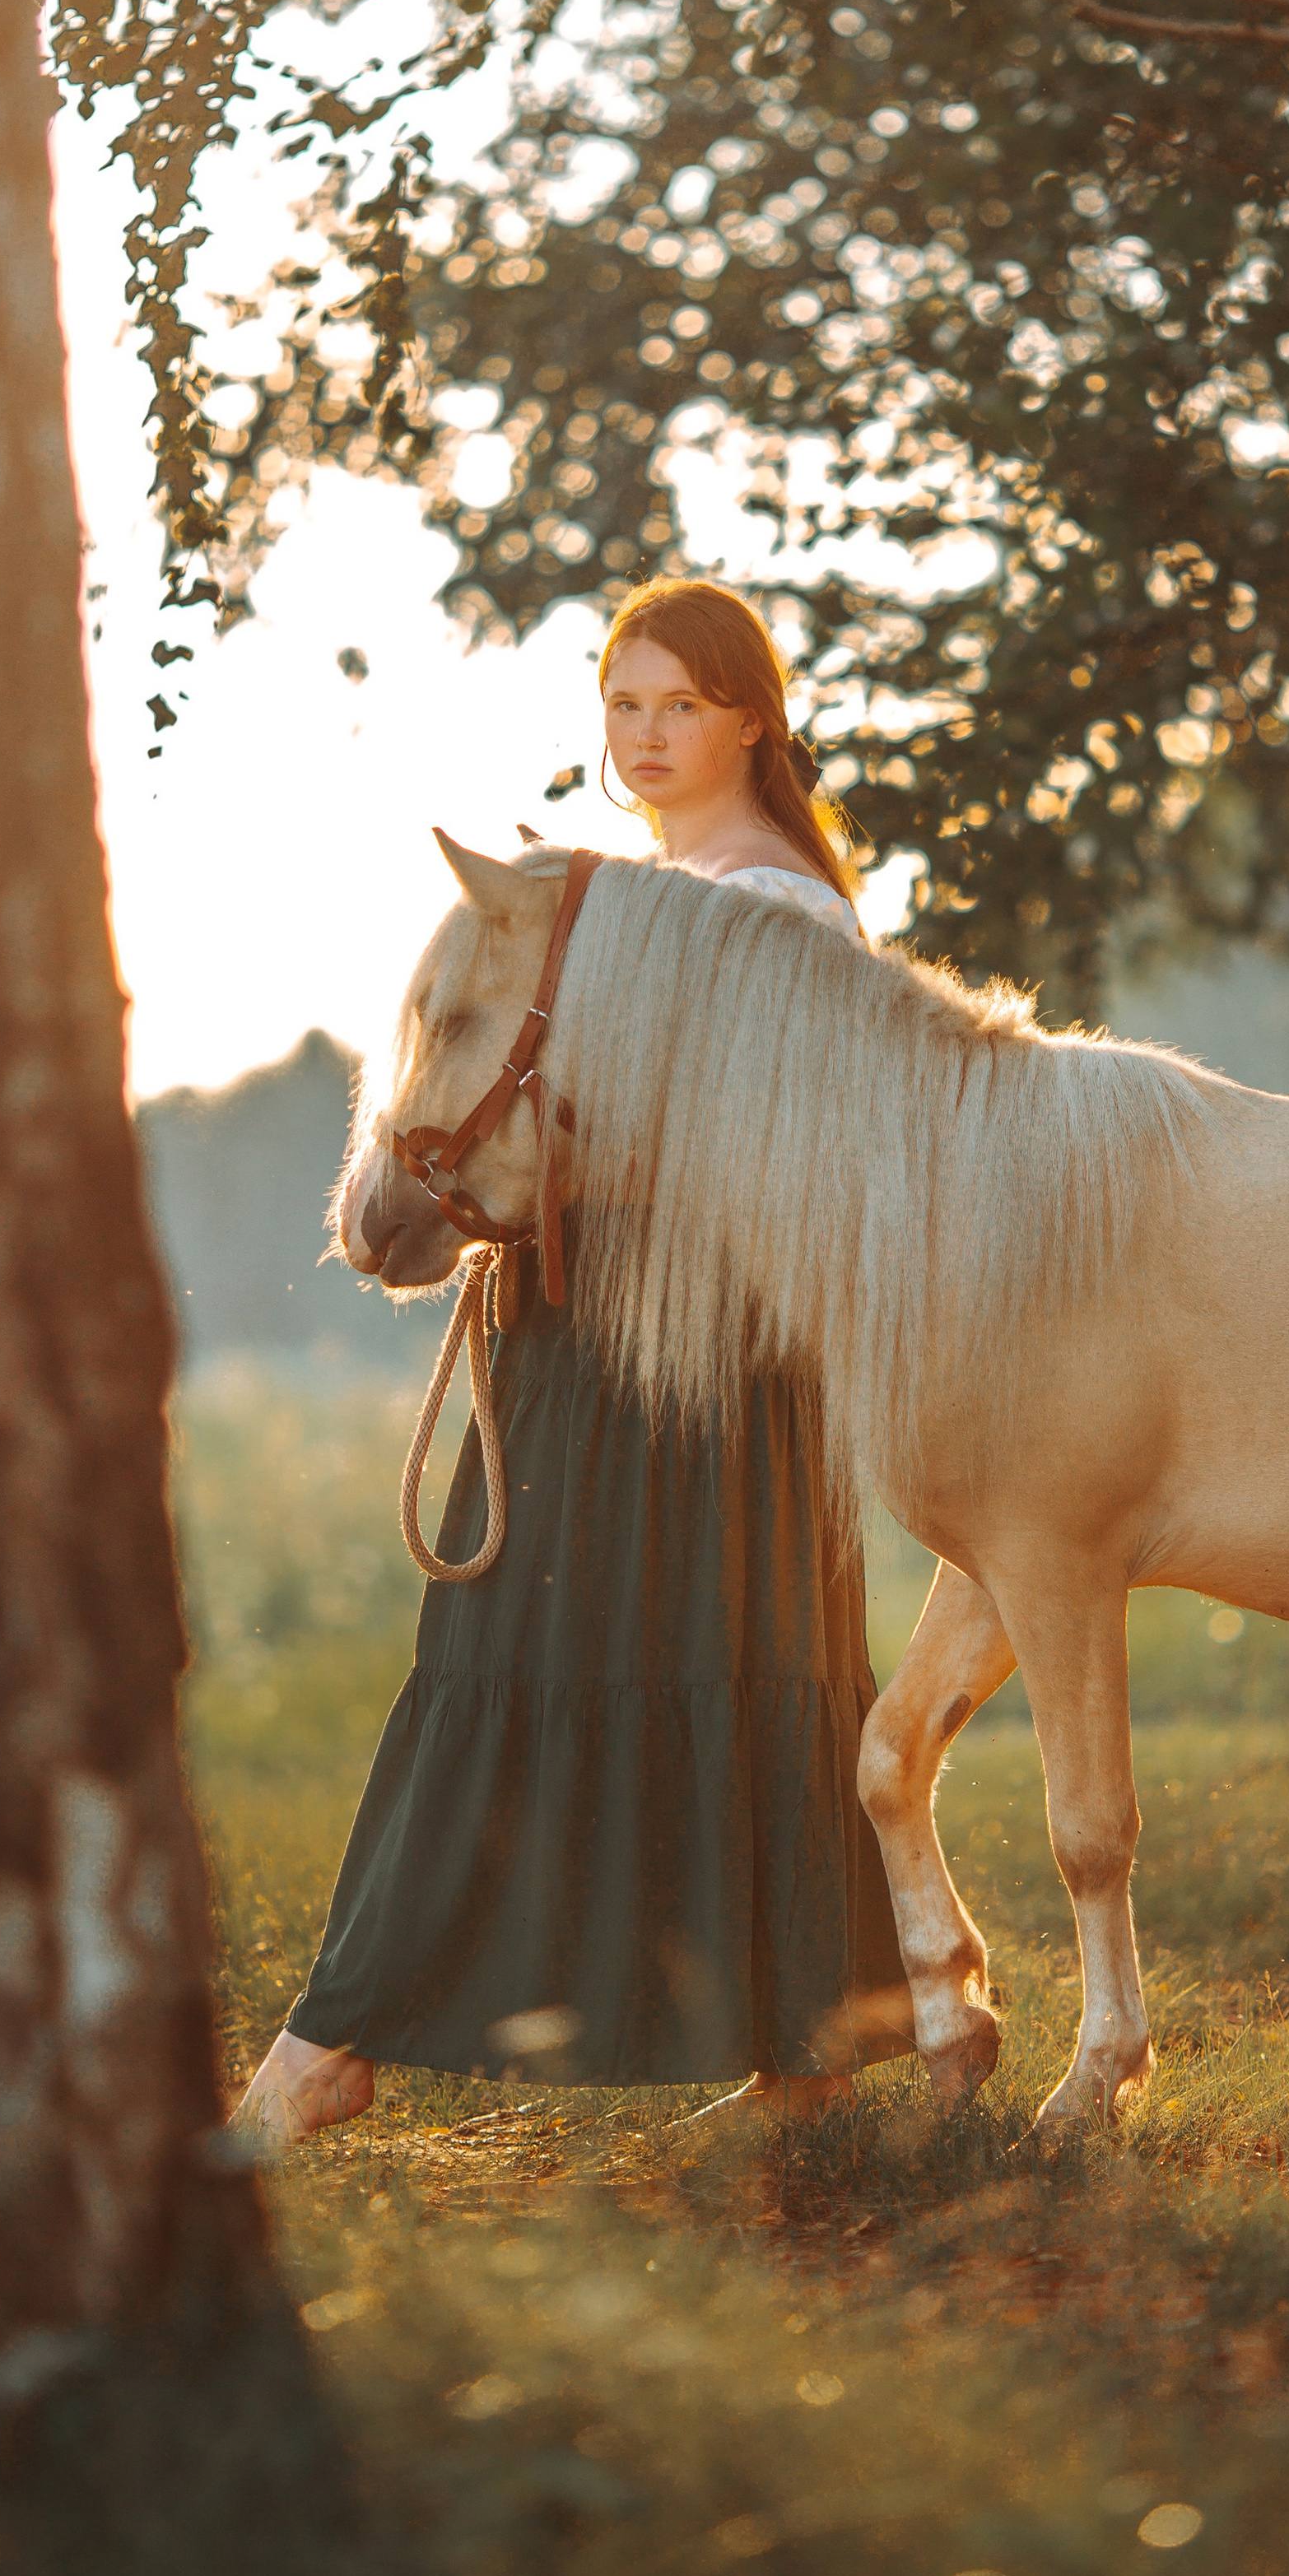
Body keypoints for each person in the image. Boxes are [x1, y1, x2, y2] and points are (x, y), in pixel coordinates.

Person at [236, 578, 910, 2141]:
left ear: (751, 715)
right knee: (515, 1670)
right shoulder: (611, 902)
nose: (649, 734)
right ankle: (354, 2043)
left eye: (680, 703)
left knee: (677, 1675)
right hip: (584, 1341)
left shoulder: (776, 907)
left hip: (709, 1370)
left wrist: (555, 1186)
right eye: (624, 704)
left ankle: (343, 2053)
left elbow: (777, 1158)